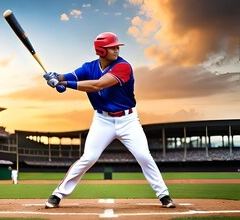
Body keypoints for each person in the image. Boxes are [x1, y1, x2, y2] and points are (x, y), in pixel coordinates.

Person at [43, 32, 176, 209]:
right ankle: (57, 195)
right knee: (89, 157)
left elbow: (98, 84)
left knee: (144, 156)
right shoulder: (88, 67)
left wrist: (64, 84)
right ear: (101, 51)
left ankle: (164, 195)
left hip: (128, 120)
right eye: (112, 47)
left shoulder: (123, 67)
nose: (116, 49)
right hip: (102, 120)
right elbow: (67, 77)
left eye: (116, 46)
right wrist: (56, 77)